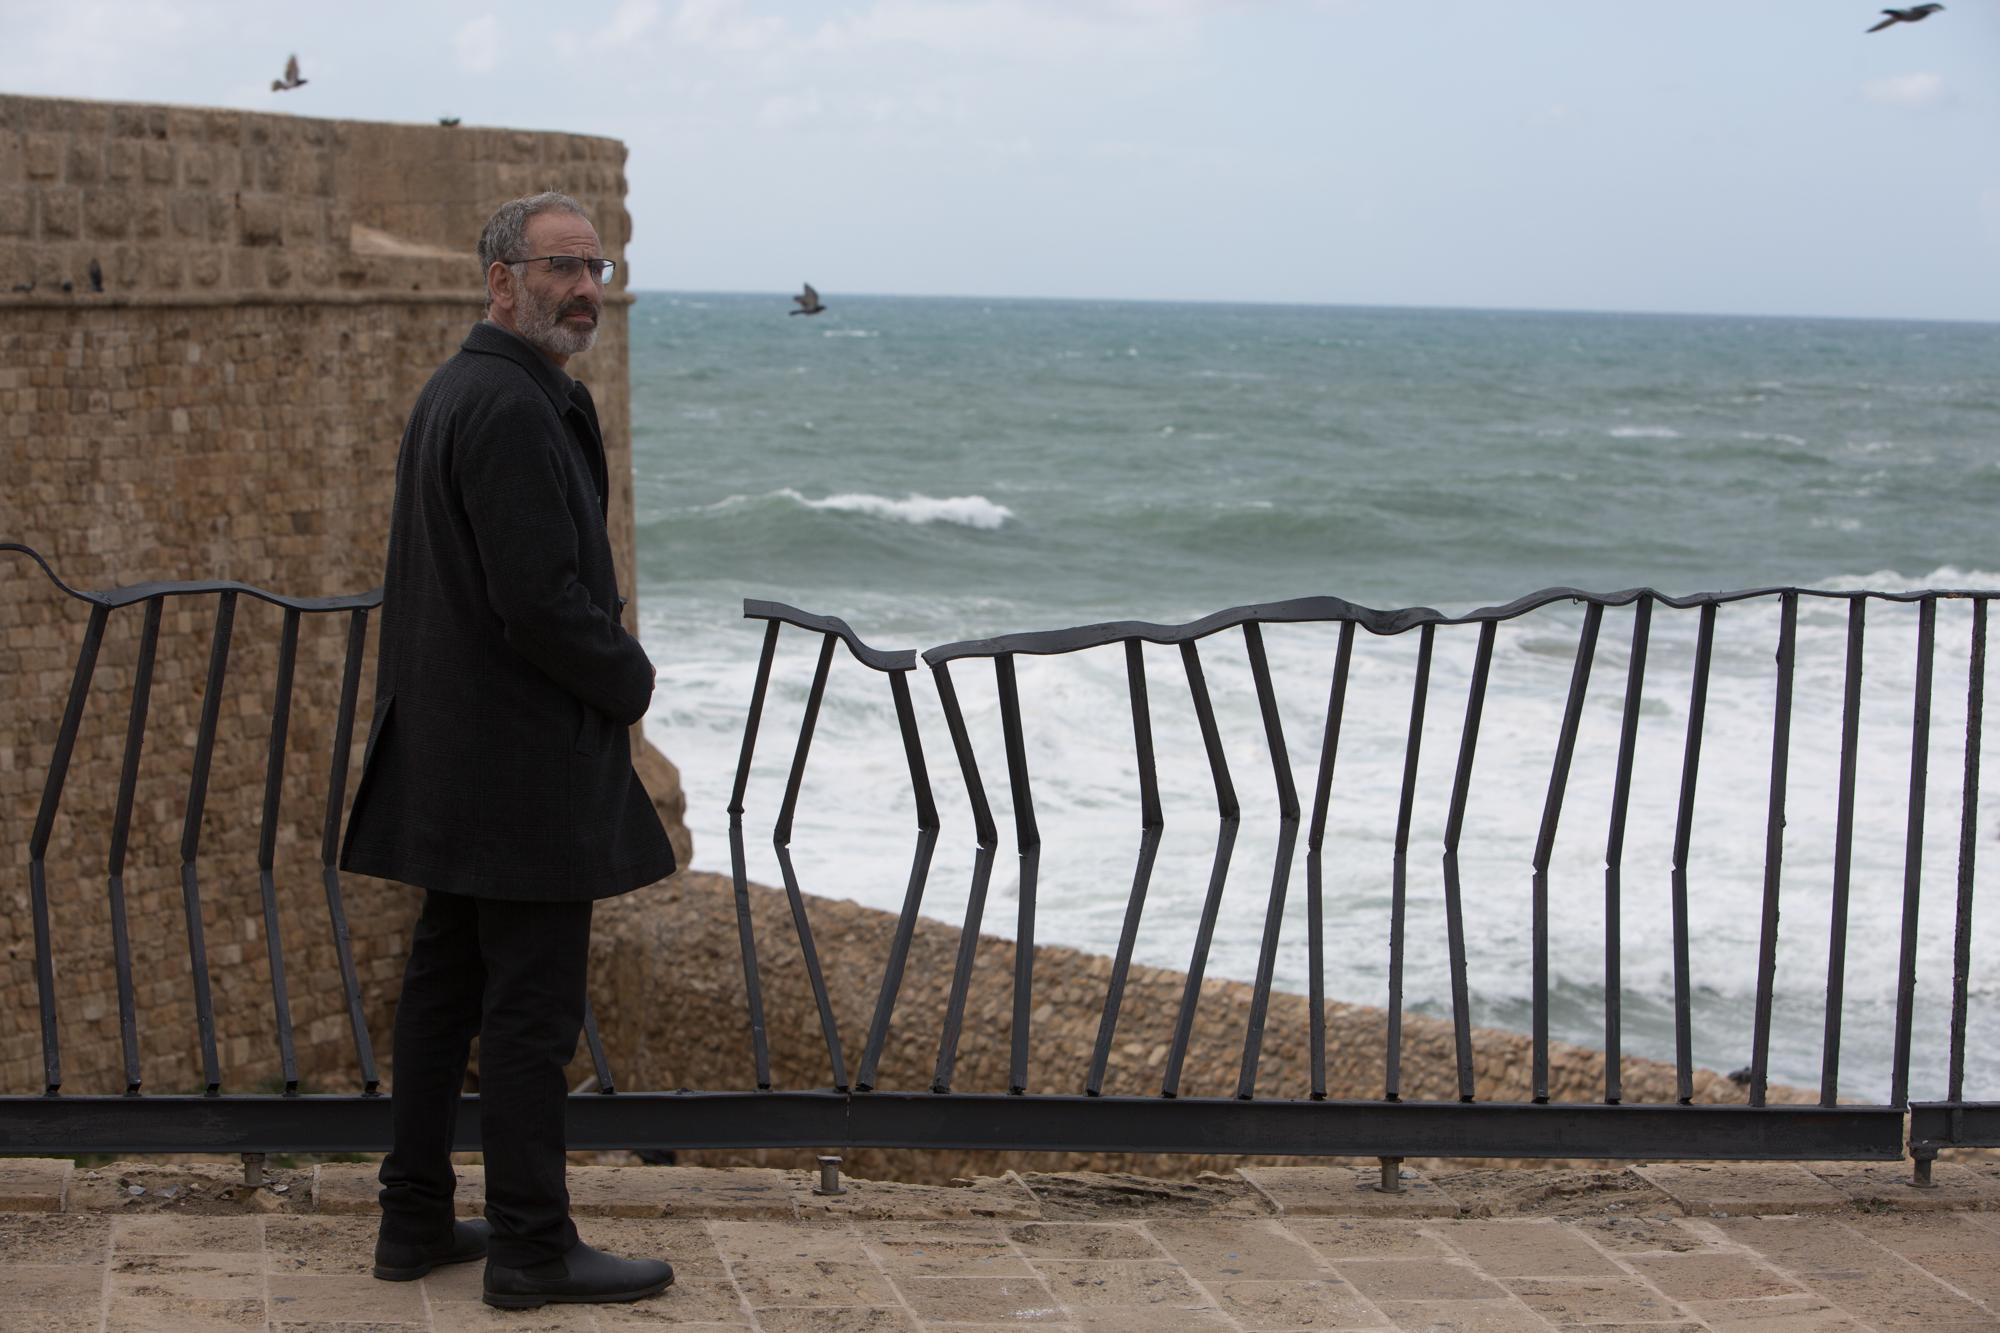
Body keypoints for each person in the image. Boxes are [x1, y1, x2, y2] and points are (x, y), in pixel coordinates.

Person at [341, 192, 677, 1310]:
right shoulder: (512, 406)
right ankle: (532, 1246)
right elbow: (538, 600)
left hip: (458, 746)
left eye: (596, 267)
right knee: (531, 1010)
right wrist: (629, 678)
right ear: (500, 281)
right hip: (521, 762)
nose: (585, 290)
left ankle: (413, 1217)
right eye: (560, 268)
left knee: (444, 988)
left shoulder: (463, 388)